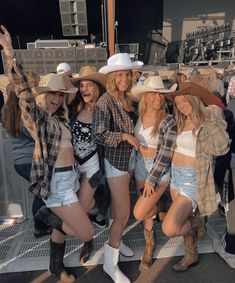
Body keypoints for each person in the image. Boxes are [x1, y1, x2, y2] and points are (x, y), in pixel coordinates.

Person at [0, 25, 94, 282]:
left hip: (70, 180)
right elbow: (22, 92)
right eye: (51, 93)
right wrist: (9, 52)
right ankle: (45, 215)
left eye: (60, 95)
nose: (56, 98)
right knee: (85, 233)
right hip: (56, 187)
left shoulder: (62, 119)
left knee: (69, 226)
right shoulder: (38, 120)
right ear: (43, 96)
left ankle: (56, 267)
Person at [161, 82, 229, 272]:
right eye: (177, 102)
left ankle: (198, 223)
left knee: (169, 228)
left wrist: (209, 118)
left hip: (192, 181)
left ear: (193, 99)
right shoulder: (179, 121)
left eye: (184, 100)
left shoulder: (207, 119)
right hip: (176, 178)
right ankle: (190, 255)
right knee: (182, 221)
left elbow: (223, 147)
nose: (181, 105)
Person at [92, 53, 143, 283]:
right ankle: (109, 264)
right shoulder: (106, 101)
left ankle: (118, 241)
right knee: (123, 214)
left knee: (118, 211)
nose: (124, 78)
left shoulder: (126, 98)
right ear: (112, 77)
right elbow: (99, 134)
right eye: (120, 74)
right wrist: (124, 136)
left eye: (127, 74)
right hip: (116, 163)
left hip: (127, 160)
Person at [131, 76, 177, 271]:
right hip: (140, 167)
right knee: (147, 211)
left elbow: (165, 155)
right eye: (154, 94)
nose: (158, 98)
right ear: (146, 97)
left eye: (161, 94)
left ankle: (162, 210)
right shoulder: (137, 117)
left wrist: (152, 179)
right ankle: (149, 244)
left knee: (139, 212)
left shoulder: (168, 121)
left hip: (159, 172)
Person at [2, 72, 52, 238]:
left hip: (19, 161)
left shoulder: (8, 109)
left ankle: (42, 225)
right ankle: (40, 227)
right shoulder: (24, 112)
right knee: (42, 193)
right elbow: (35, 134)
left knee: (40, 193)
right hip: (31, 159)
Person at [69, 65, 106, 264]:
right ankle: (94, 206)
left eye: (89, 85)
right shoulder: (72, 109)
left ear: (97, 88)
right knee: (76, 206)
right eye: (82, 85)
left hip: (92, 166)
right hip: (72, 168)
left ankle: (88, 240)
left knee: (81, 207)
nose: (84, 88)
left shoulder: (103, 110)